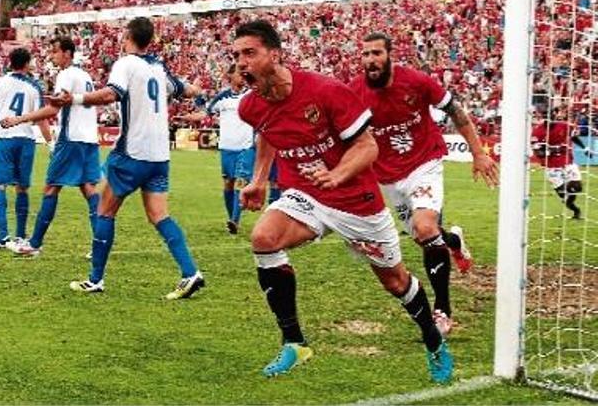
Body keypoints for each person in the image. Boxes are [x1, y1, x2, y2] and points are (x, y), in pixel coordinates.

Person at [234, 20, 453, 382]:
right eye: (237, 55)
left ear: (275, 54)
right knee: (263, 239)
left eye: (250, 53)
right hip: (306, 194)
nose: (242, 62)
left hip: (357, 201)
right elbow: (268, 135)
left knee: (396, 282)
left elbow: (368, 147)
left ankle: (433, 340)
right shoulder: (249, 107)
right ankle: (294, 343)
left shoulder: (325, 91)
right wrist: (259, 181)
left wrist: (337, 175)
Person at [350, 32, 498, 335]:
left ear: (389, 55)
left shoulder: (416, 81)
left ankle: (442, 309)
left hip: (424, 164)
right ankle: (454, 241)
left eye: (376, 53)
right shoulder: (354, 92)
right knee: (424, 236)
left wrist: (479, 153)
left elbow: (456, 112)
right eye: (365, 55)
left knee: (426, 228)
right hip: (388, 177)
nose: (370, 60)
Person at [48, 17, 205, 300]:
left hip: (133, 152)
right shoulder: (158, 67)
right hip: (160, 156)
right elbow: (182, 88)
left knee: (104, 211)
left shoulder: (126, 64)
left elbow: (111, 94)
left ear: (129, 37)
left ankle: (95, 279)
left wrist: (76, 99)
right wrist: (198, 91)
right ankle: (190, 272)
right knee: (159, 215)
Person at [0, 37, 101, 257]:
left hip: (71, 138)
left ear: (67, 53)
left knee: (51, 187)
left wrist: (20, 119)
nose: (52, 56)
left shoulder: (66, 75)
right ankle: (99, 243)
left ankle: (34, 244)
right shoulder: (85, 75)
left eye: (55, 52)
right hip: (90, 138)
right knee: (89, 189)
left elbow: (53, 109)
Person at [0, 48, 53, 249]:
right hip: (27, 139)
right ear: (27, 64)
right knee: (22, 187)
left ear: (10, 63)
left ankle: (2, 236)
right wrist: (51, 144)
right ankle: (20, 236)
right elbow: (42, 118)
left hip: (5, 138)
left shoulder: (0, 83)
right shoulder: (35, 87)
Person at [178, 63, 254, 234]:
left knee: (241, 182)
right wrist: (187, 117)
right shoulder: (223, 97)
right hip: (227, 147)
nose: (242, 76)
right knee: (228, 183)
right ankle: (231, 219)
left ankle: (234, 220)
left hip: (246, 146)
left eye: (244, 73)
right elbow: (205, 113)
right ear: (230, 76)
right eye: (239, 73)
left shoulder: (252, 95)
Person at [532, 107, 591, 219]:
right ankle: (575, 210)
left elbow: (574, 137)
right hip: (552, 167)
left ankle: (571, 201)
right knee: (564, 194)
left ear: (555, 114)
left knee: (577, 187)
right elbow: (537, 152)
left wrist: (585, 148)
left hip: (567, 162)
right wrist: (550, 151)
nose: (548, 117)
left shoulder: (564, 126)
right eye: (545, 114)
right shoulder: (537, 131)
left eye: (550, 114)